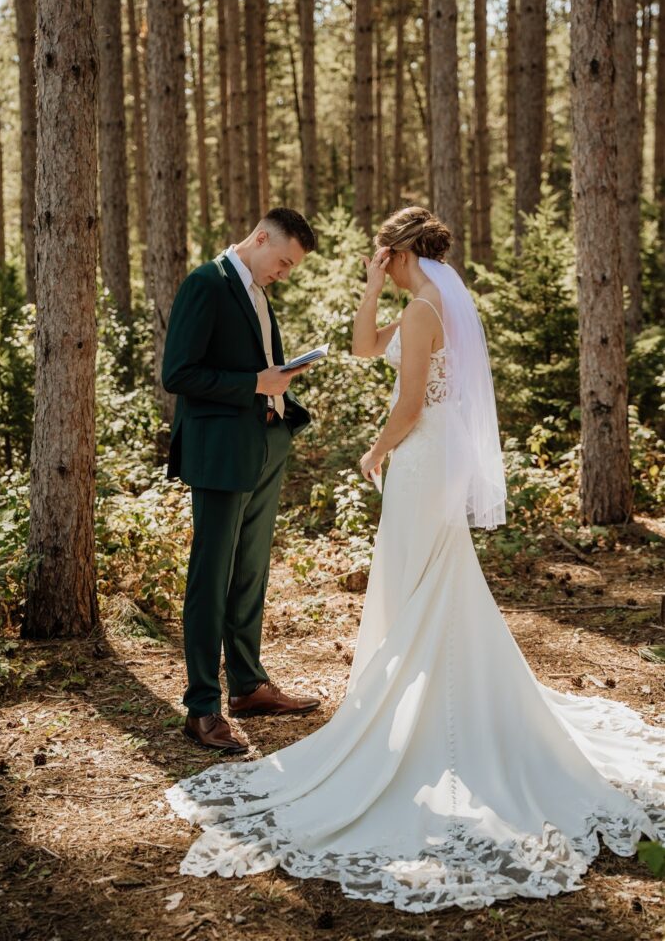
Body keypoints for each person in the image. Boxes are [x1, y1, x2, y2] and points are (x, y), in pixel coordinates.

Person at [166, 207, 665, 913]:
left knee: (425, 580)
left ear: (400, 253)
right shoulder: (421, 305)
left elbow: (407, 407)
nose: (383, 266)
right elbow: (367, 348)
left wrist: (376, 449)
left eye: (383, 259)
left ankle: (427, 708)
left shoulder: (430, 313)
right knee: (425, 581)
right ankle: (410, 694)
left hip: (422, 459)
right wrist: (370, 288)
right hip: (420, 462)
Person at [162, 207, 321, 756]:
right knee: (212, 576)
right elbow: (178, 374)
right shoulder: (205, 284)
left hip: (266, 444)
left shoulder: (257, 291)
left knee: (250, 572)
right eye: (283, 261)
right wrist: (256, 382)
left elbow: (259, 367)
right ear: (258, 239)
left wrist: (281, 396)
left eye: (291, 267)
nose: (284, 272)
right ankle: (202, 706)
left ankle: (248, 686)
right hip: (221, 454)